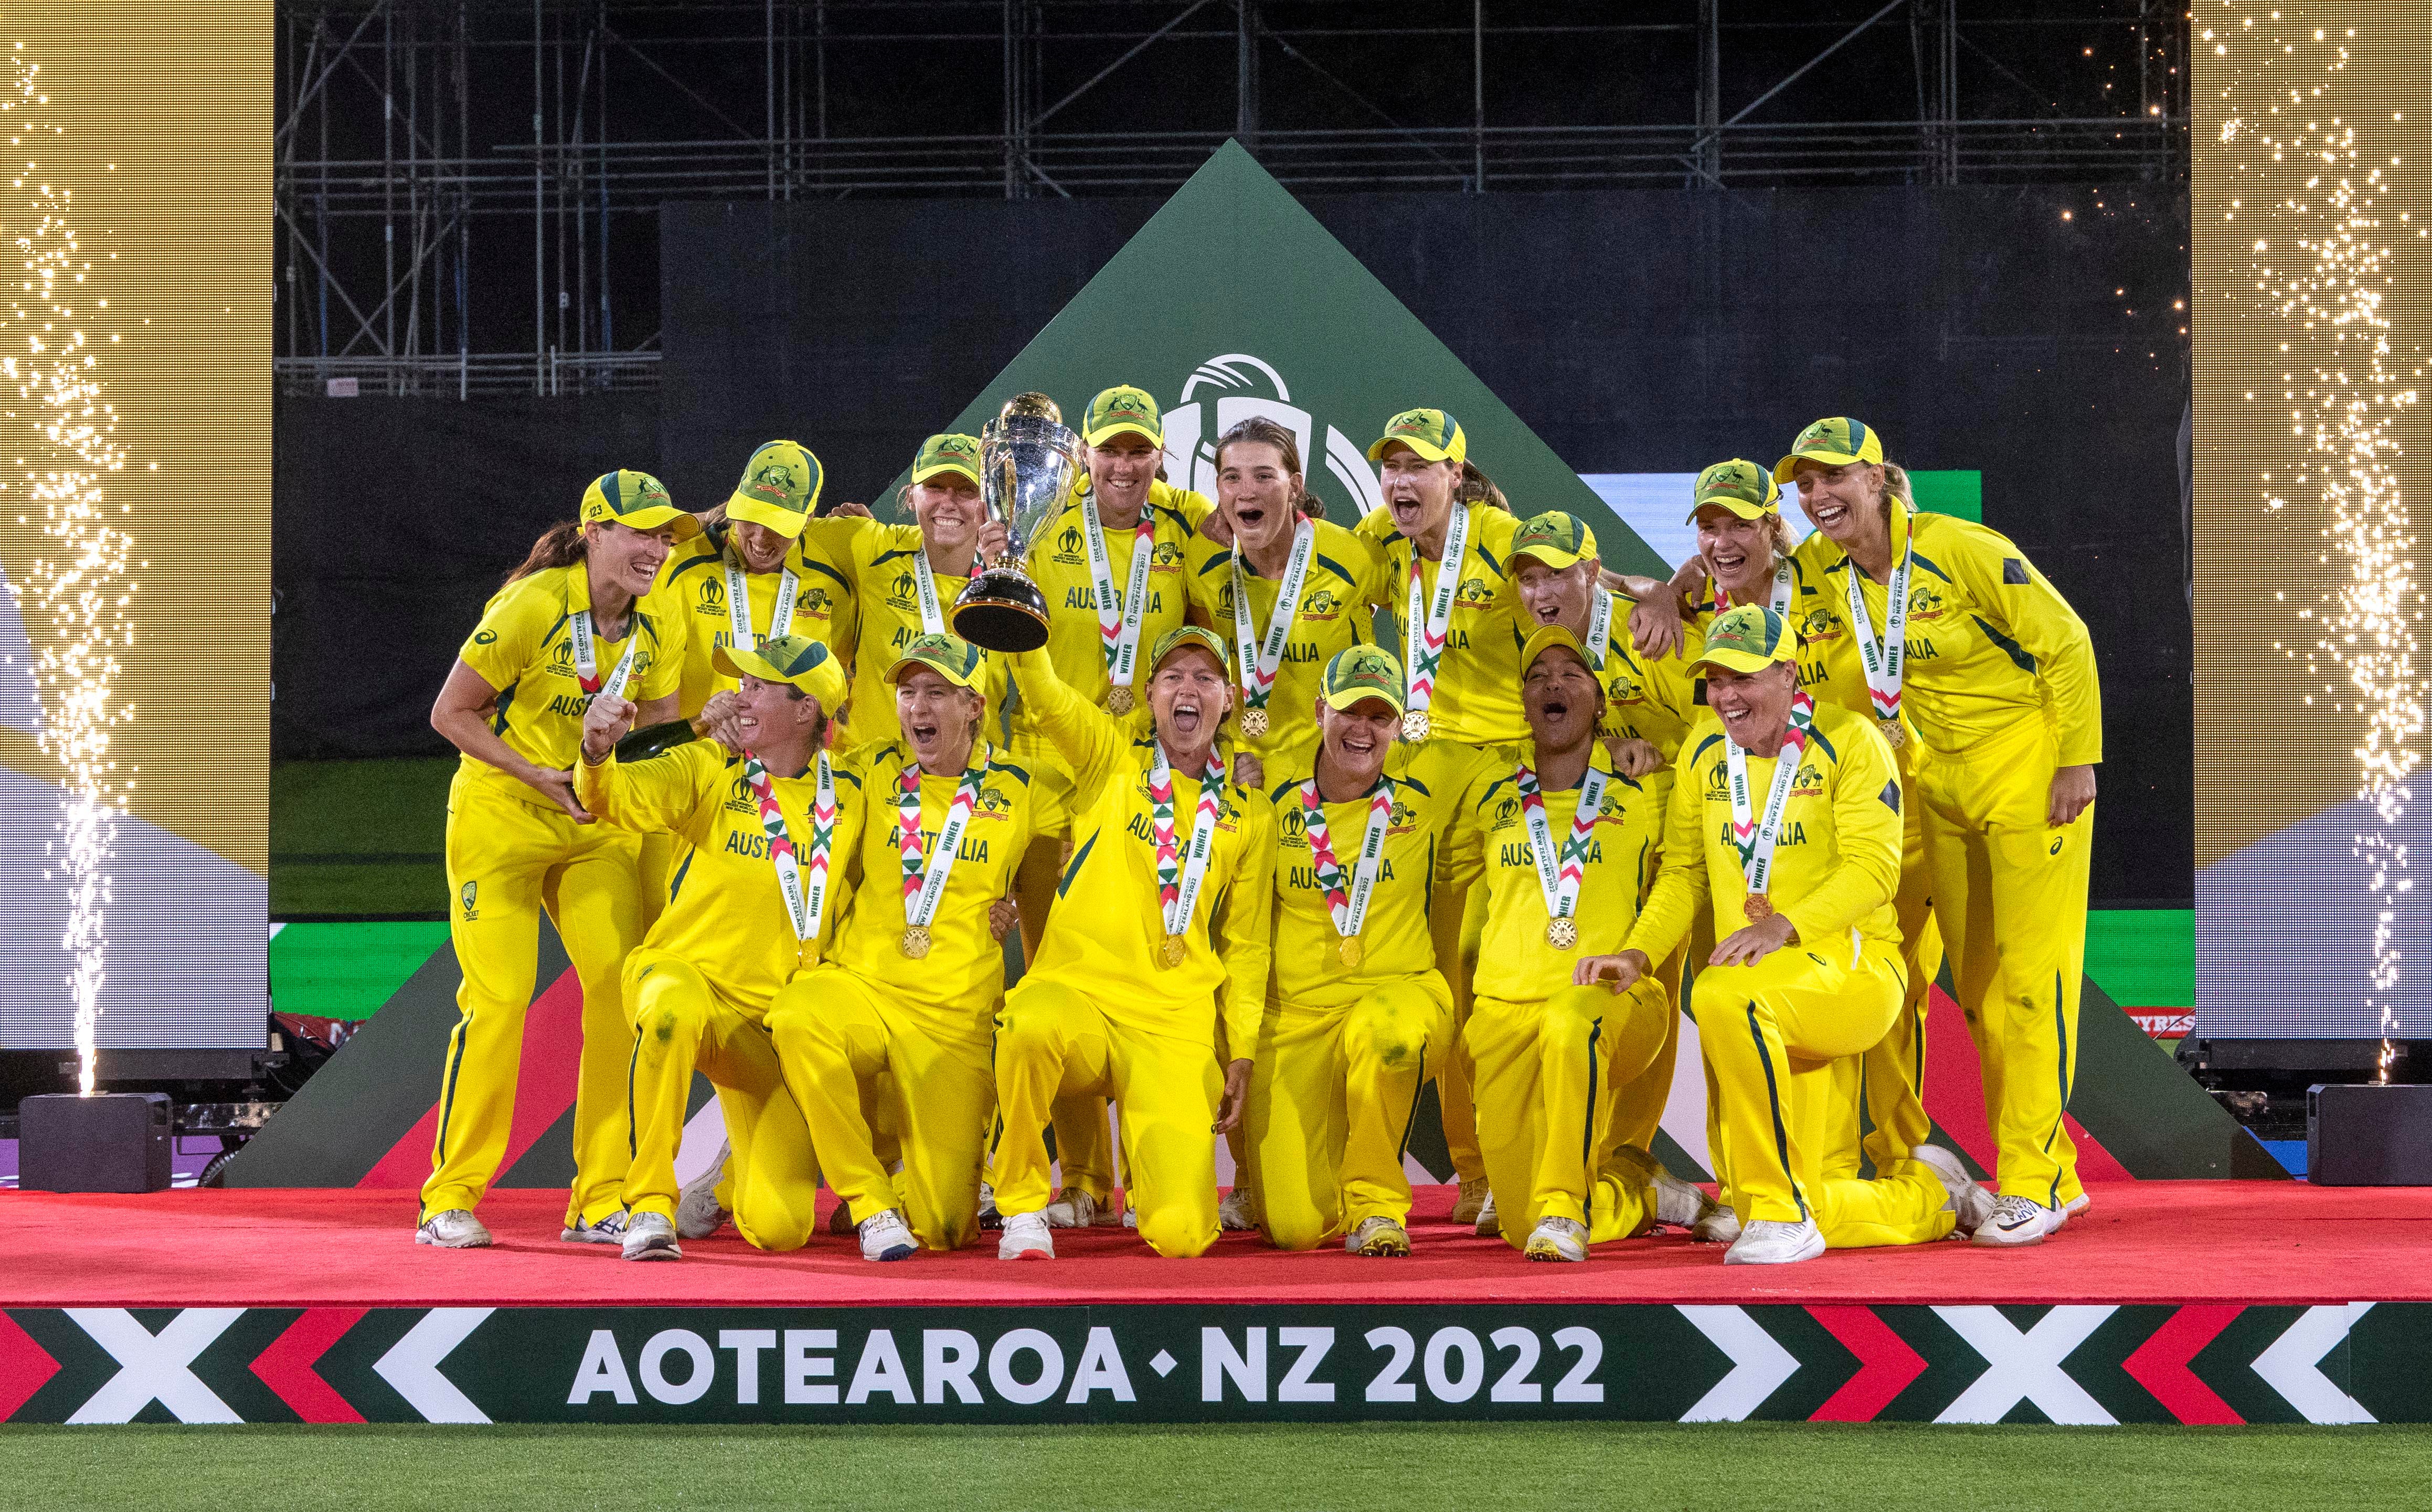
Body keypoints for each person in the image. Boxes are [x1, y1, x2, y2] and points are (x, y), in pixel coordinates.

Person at [1577, 605, 1980, 1264]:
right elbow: (1682, 873)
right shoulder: (1704, 751)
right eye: (1715, 678)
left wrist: (1786, 926)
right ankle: (1933, 1195)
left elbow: (1875, 869)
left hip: (1854, 970)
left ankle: (1781, 1211)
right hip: (1764, 982)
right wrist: (1638, 952)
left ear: (1789, 672)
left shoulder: (1850, 739)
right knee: (1806, 1197)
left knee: (1720, 995)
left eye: (1745, 676)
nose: (1727, 695)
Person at [1780, 417, 2101, 1244]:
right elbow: (1747, 570)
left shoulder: (1959, 548)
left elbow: (2064, 641)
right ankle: (2049, 1168)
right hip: (1940, 780)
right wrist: (1671, 590)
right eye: (1804, 483)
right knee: (1985, 989)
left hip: (2030, 769)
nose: (1817, 495)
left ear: (1879, 479)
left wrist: (2076, 759)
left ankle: (2031, 1180)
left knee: (2035, 981)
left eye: (1833, 477)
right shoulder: (1829, 567)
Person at [417, 469, 698, 1249]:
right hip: (503, 816)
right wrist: (534, 773)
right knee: (499, 999)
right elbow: (450, 712)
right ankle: (449, 1198)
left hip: (594, 826)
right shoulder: (533, 606)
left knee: (617, 994)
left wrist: (628, 785)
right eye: (639, 532)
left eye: (665, 535)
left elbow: (658, 743)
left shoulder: (663, 619)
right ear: (595, 531)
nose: (655, 548)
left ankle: (598, 1198)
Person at [766, 632, 1060, 1255]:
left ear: (975, 705)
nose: (917, 709)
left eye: (936, 693)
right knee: (796, 1015)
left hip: (953, 1015)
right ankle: (870, 1200)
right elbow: (791, 749)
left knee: (949, 1228)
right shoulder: (871, 769)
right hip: (864, 987)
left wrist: (1237, 764)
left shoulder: (1023, 785)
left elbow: (1122, 795)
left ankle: (908, 1188)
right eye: (906, 693)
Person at [992, 626, 1275, 1259]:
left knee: (1181, 1236)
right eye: (1173, 677)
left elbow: (1248, 943)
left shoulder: (1248, 810)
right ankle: (1020, 1206)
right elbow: (1045, 692)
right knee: (1027, 1025)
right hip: (1080, 999)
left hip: (1173, 1022)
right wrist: (1019, 607)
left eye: (1205, 678)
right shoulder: (1108, 760)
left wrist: (1243, 1049)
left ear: (1228, 700)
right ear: (1148, 695)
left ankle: (1154, 1188)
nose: (1188, 689)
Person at [573, 634, 854, 1260]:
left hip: (768, 1026)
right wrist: (596, 750)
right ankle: (648, 1203)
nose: (737, 696)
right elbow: (609, 797)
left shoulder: (853, 797)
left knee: (781, 1229)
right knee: (670, 1015)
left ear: (806, 710)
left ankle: (728, 1185)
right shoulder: (711, 766)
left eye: (757, 686)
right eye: (741, 683)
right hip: (684, 977)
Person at [1007, 385, 1213, 1229]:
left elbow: (1210, 626)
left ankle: (1151, 1165)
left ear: (1159, 458)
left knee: (1150, 957)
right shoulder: (1040, 526)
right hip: (1056, 765)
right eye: (1110, 450)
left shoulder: (1185, 530)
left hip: (1146, 779)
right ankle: (1086, 1180)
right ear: (1083, 459)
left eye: (1140, 451)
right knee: (1058, 971)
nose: (1124, 466)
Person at [1443, 626, 1717, 1261]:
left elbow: (1683, 877)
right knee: (1517, 1225)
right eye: (1538, 676)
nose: (1554, 684)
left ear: (1599, 699)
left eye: (1572, 673)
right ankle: (1637, 1190)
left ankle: (1568, 1204)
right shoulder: (1489, 786)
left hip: (1613, 998)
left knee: (1572, 1023)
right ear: (1523, 700)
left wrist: (1639, 954)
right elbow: (1441, 869)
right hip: (1506, 1009)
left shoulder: (1644, 782)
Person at [1186, 414, 1390, 1230]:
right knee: (1245, 981)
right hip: (1239, 807)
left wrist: (1654, 586)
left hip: (1333, 808)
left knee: (1329, 987)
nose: (1245, 491)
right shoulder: (1205, 568)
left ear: (1296, 483)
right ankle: (1247, 1174)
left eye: (1263, 475)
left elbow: (1437, 566)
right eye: (1230, 477)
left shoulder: (1352, 555)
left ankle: (1365, 1171)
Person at [1355, 407, 1525, 1228]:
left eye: (1418, 467)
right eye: (1390, 467)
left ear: (1454, 476)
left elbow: (1578, 605)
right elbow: (1300, 579)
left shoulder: (1501, 536)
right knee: (1439, 983)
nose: (1400, 482)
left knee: (1481, 967)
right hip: (1415, 787)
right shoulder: (1376, 539)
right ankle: (1470, 1171)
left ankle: (1497, 1164)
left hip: (1501, 776)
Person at [1248, 646, 1474, 1255]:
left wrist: (1629, 752)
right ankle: (1318, 1190)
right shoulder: (1268, 792)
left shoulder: (1430, 783)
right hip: (1295, 1016)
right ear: (1321, 709)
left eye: (1381, 717)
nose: (1363, 729)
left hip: (1398, 993)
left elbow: (1529, 751)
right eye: (1351, 710)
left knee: (1388, 1033)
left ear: (1400, 727)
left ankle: (1378, 1204)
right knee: (1297, 1229)